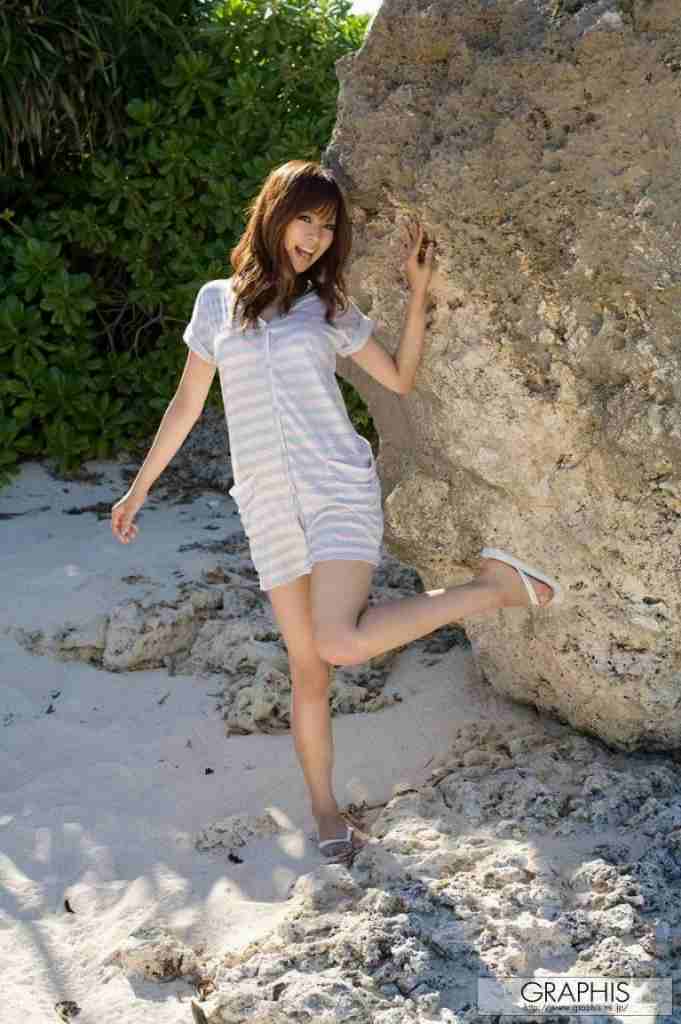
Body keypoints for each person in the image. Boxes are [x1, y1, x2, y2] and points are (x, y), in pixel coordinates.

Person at [111, 160, 562, 865]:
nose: (316, 238)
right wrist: (139, 488)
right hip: (266, 507)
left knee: (340, 643)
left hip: (336, 491)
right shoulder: (216, 304)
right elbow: (187, 404)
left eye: (327, 227)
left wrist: (417, 295)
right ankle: (326, 810)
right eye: (305, 219)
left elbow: (399, 379)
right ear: (273, 215)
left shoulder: (327, 308)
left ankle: (492, 588)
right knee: (308, 669)